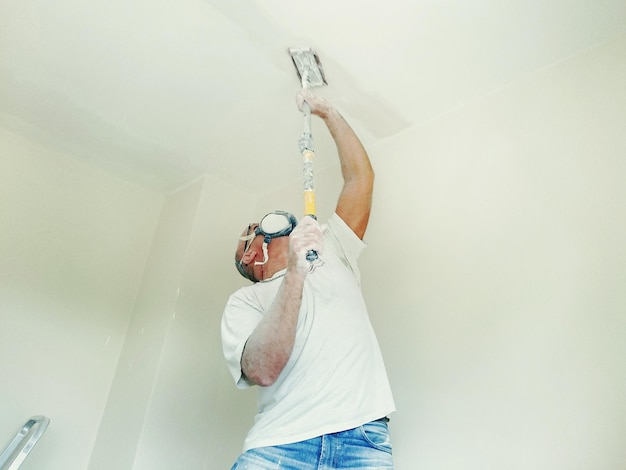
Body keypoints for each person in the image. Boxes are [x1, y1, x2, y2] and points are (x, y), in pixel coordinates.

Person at [221, 89, 396, 469]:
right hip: (279, 446)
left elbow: (360, 179)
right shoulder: (244, 303)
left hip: (362, 439)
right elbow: (262, 369)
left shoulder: (334, 247)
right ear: (253, 254)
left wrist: (329, 112)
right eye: (256, 228)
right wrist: (296, 273)